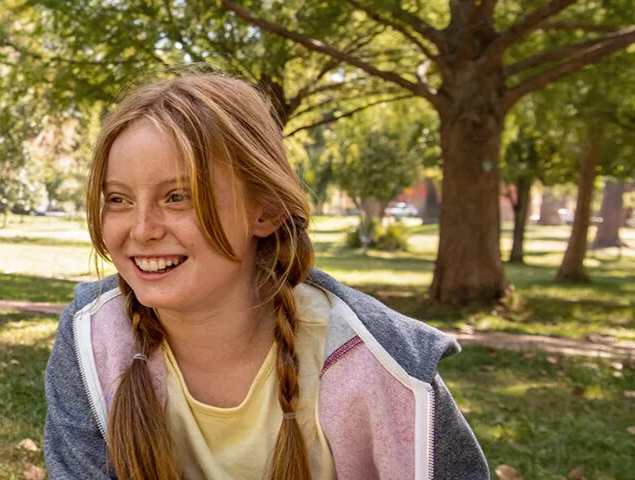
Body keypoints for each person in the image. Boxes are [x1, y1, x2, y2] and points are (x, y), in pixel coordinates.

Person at [42, 75, 489, 479]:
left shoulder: (377, 362)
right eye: (118, 199)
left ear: (267, 208)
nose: (142, 230)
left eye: (178, 197)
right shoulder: (91, 341)